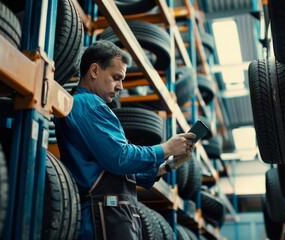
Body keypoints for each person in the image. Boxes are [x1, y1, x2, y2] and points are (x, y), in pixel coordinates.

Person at [55, 40, 196, 240]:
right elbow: (119, 157)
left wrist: (168, 166)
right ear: (94, 70)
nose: (120, 86)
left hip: (110, 215)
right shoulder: (88, 105)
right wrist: (165, 148)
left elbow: (118, 170)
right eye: (116, 77)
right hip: (100, 219)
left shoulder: (93, 106)